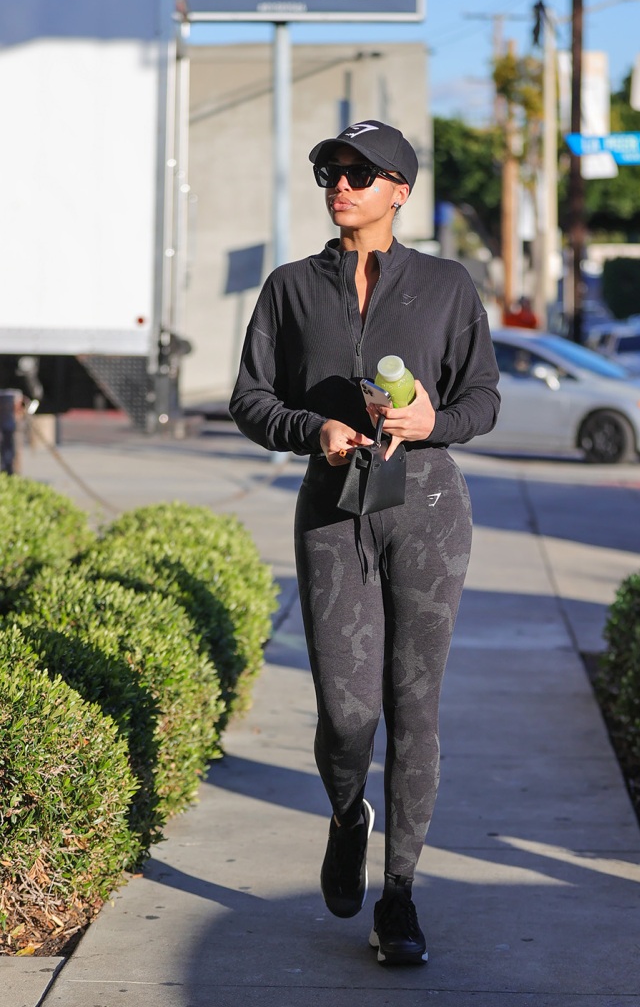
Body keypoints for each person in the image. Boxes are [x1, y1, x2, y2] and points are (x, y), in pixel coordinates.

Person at [229, 120, 500, 966]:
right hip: (332, 511)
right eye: (329, 169)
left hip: (427, 510)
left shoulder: (448, 286)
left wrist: (431, 420)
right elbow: (249, 399)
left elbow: (483, 399)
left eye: (359, 171)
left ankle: (401, 897)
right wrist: (313, 428)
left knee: (415, 711)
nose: (339, 183)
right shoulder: (289, 288)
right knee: (347, 716)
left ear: (399, 189)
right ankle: (349, 816)